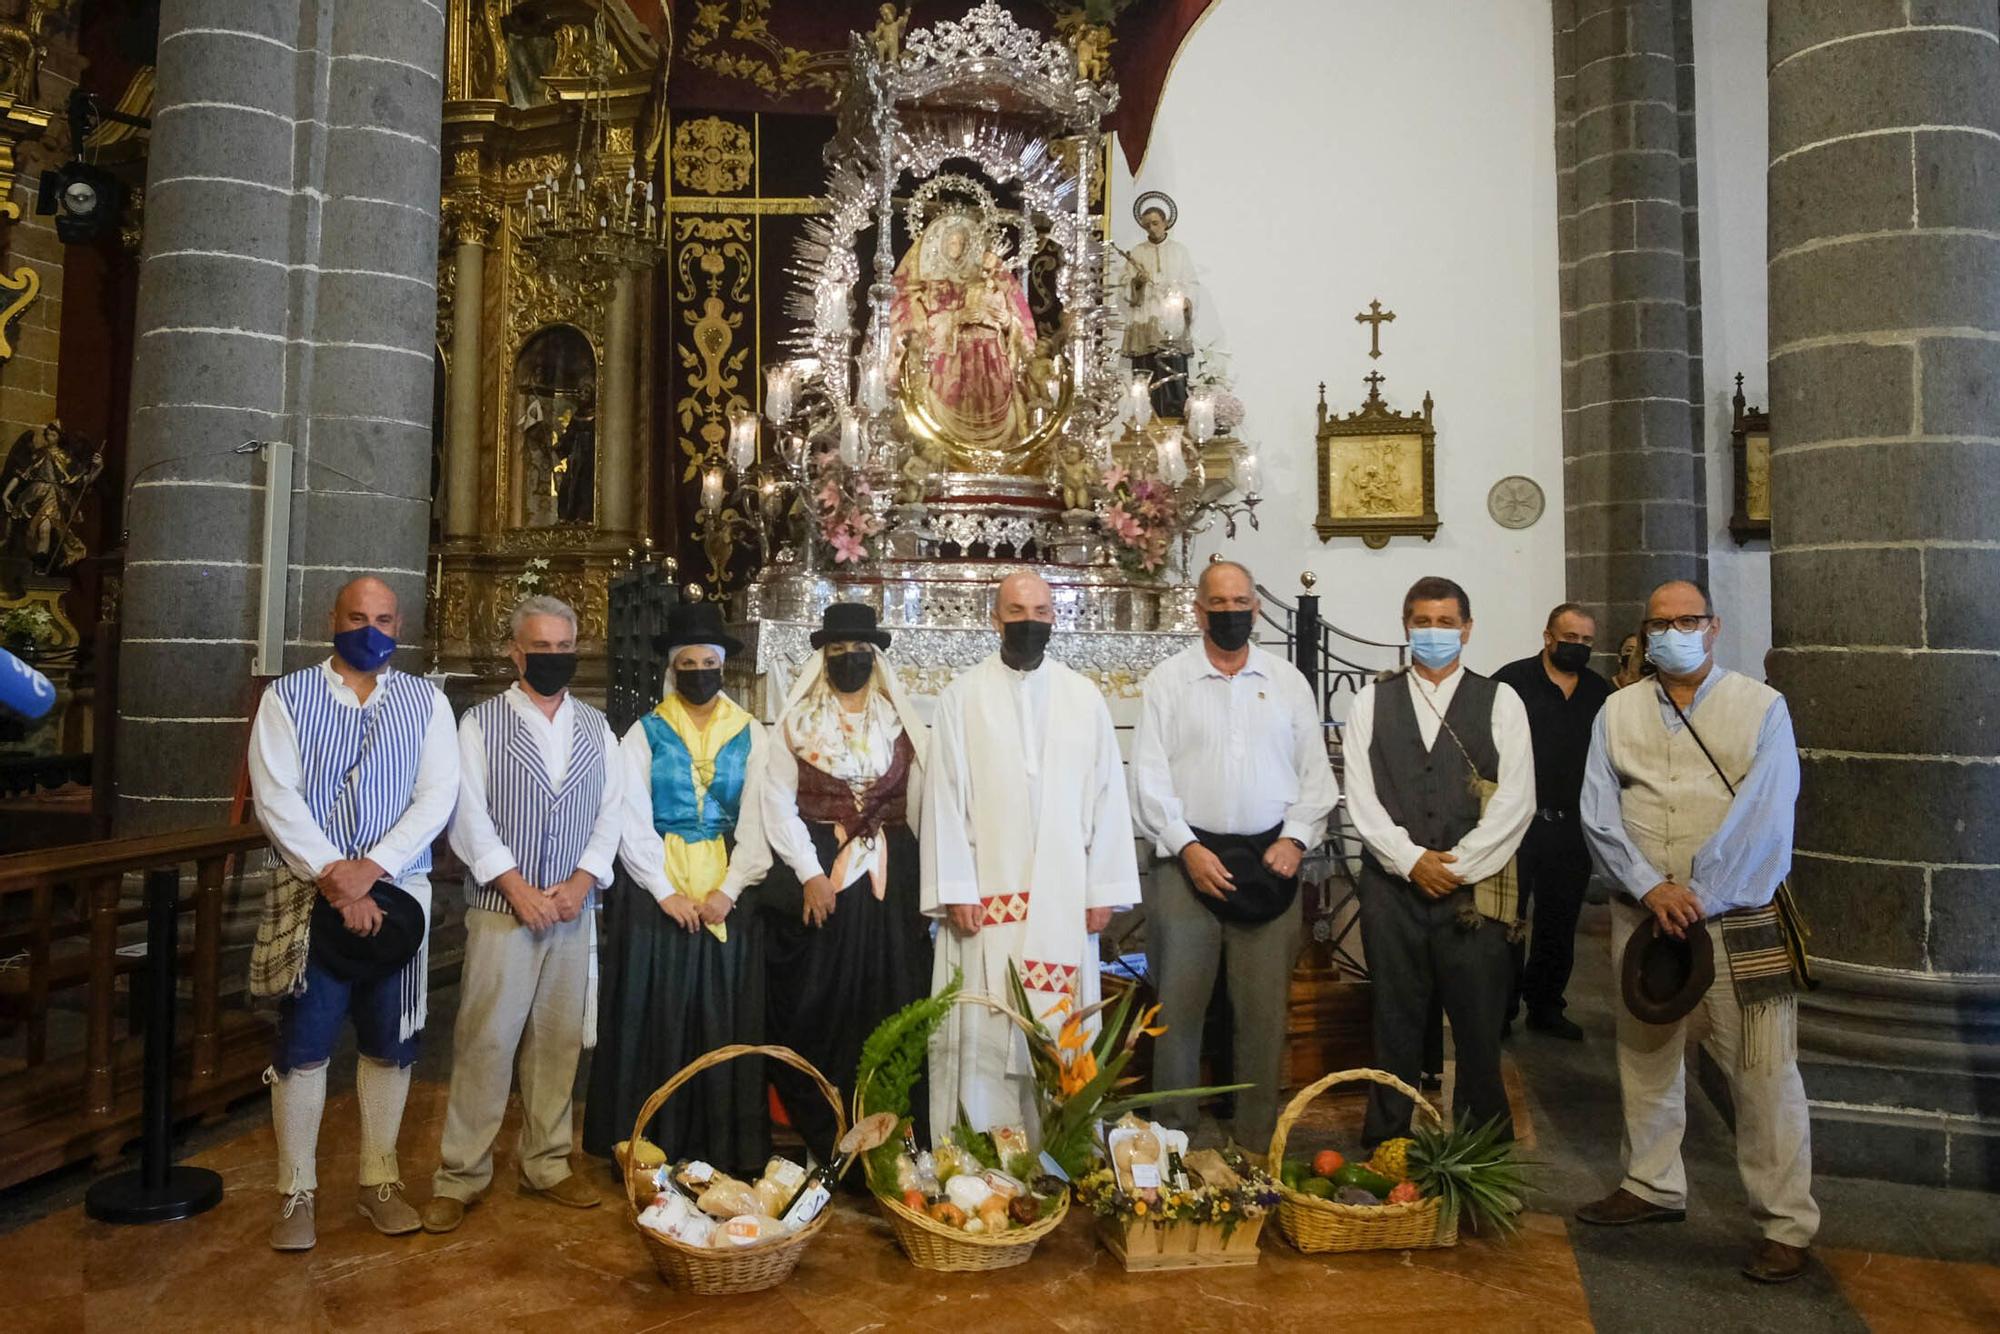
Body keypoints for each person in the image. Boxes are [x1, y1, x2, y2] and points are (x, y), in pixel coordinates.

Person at [1576, 580, 1817, 1285]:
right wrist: (1651, 886)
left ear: (1712, 628)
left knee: (1765, 1073)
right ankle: (1651, 1185)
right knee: (1646, 1054)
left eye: (1688, 620)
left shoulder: (1761, 707)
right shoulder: (1617, 711)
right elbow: (1597, 807)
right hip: (1645, 917)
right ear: (1644, 635)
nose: (1674, 632)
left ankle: (1785, 1222)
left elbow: (1768, 812)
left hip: (1740, 920)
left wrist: (1701, 892)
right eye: (1660, 623)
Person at [247, 575, 458, 1250]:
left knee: (391, 1046)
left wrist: (374, 868)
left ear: (400, 628)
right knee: (304, 1047)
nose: (371, 629)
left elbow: (436, 797)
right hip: (313, 898)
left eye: (385, 619)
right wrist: (338, 875)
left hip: (398, 900)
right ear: (331, 618)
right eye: (357, 616)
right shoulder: (287, 697)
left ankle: (378, 1180)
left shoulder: (427, 702)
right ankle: (295, 1192)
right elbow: (275, 796)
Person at [422, 596, 624, 1233]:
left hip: (572, 907)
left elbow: (611, 812)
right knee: (487, 1039)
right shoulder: (478, 724)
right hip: (502, 909)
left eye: (565, 649)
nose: (554, 659)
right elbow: (468, 815)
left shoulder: (597, 727)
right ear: (515, 651)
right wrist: (516, 886)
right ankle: (461, 1174)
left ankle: (547, 1161)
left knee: (558, 1042)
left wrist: (581, 881)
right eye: (542, 648)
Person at [923, 570, 1141, 1137]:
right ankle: (978, 1153)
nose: (1029, 623)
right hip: (985, 903)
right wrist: (955, 889)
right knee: (986, 1030)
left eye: (1040, 612)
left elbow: (1107, 797)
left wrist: (1104, 892)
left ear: (1054, 619)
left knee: (1056, 1030)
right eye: (1016, 612)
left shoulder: (1082, 697)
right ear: (994, 618)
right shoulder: (961, 697)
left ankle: (1060, 1151)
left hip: (1063, 902)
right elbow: (944, 797)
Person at [1132, 561, 1339, 1147]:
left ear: (1258, 610)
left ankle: (1255, 1144)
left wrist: (1296, 838)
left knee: (1263, 1015)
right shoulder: (1169, 681)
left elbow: (1316, 778)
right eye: (1217, 603)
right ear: (1197, 612)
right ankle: (1171, 1144)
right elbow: (1148, 778)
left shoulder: (1288, 681)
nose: (1230, 612)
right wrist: (1187, 847)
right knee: (1176, 1010)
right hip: (1187, 860)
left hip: (1271, 861)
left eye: (1240, 602)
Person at [582, 600, 775, 1175]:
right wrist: (664, 891)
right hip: (656, 893)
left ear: (723, 666)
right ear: (673, 669)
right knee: (654, 1013)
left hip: (726, 890)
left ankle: (723, 1146)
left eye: (708, 661)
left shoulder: (752, 734)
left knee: (723, 1017)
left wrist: (730, 889)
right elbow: (629, 816)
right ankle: (649, 1143)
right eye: (688, 662)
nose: (699, 672)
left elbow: (760, 820)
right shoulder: (643, 734)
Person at [1342, 576, 1534, 1146]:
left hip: (1472, 894)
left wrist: (1457, 865)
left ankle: (1481, 1164)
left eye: (1446, 622)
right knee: (1394, 1025)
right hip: (1391, 892)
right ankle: (1387, 1152)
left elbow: (1518, 799)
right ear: (1406, 627)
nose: (1434, 632)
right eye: (1422, 622)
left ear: (1467, 629)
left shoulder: (1501, 701)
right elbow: (1361, 798)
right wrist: (1410, 861)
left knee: (1478, 1031)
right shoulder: (1371, 700)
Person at [760, 602, 933, 1164]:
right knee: (821, 1003)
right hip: (824, 880)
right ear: (823, 658)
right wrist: (810, 872)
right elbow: (775, 803)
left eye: (861, 652)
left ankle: (892, 1138)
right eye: (838, 652)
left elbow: (922, 803)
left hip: (892, 885)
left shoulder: (899, 720)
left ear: (875, 657)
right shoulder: (797, 722)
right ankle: (825, 1132)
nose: (850, 660)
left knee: (891, 995)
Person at [1492, 603, 1612, 1040]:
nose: (1577, 647)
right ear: (1548, 637)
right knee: (1507, 919)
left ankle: (1546, 1005)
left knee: (1560, 922)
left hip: (1571, 826)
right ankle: (1499, 1009)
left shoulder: (1600, 692)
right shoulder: (1511, 682)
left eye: (1585, 641)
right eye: (1570, 638)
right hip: (1518, 823)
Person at [1122, 201, 1197, 420]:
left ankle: (1175, 414)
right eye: (1147, 225)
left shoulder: (1179, 251)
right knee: (1148, 369)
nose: (1152, 228)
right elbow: (1125, 284)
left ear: (1165, 223)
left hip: (1170, 319)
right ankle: (1150, 416)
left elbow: (1191, 282)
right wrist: (1137, 282)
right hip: (1146, 319)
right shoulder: (1137, 252)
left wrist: (1184, 299)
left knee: (1173, 368)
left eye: (1155, 223)